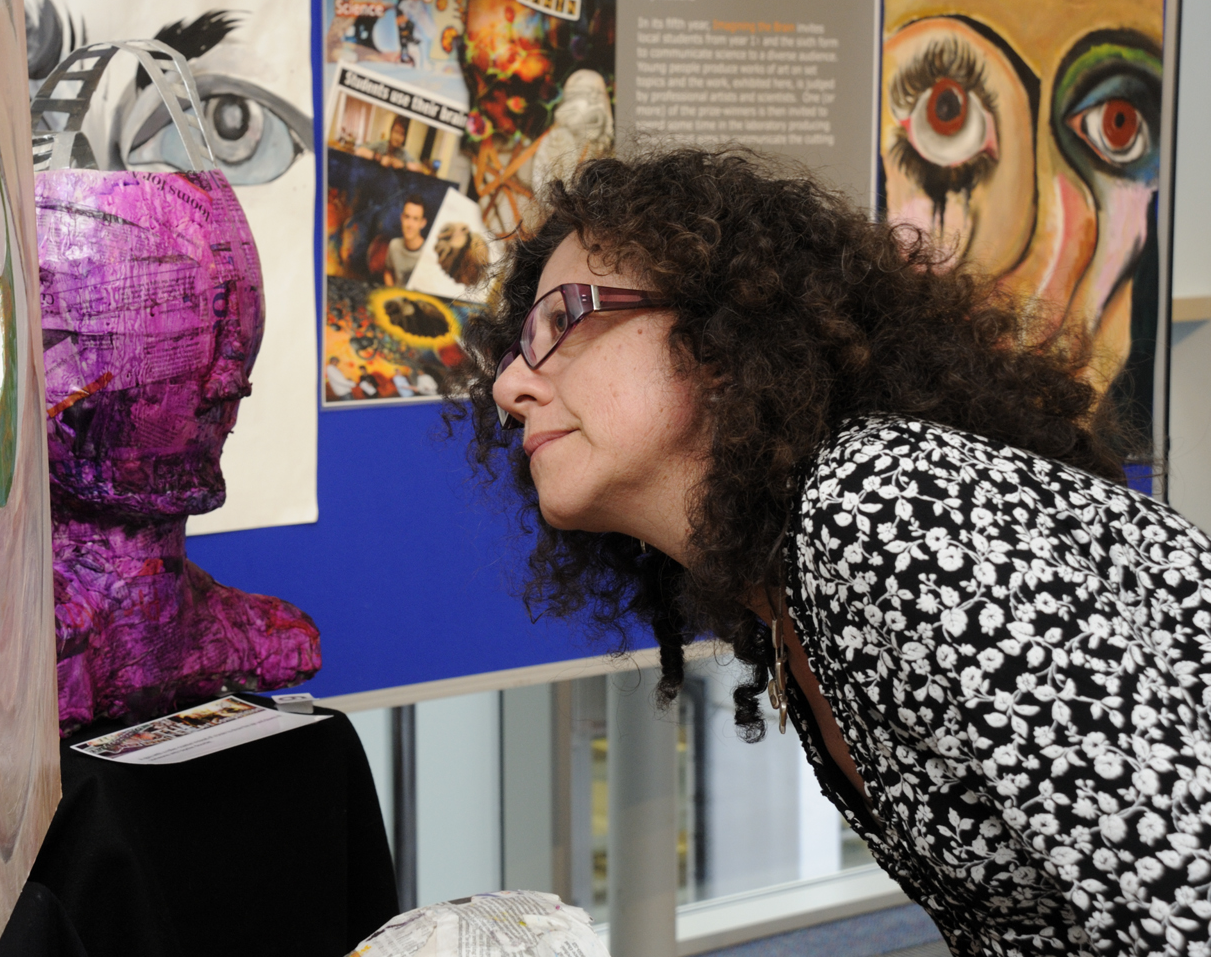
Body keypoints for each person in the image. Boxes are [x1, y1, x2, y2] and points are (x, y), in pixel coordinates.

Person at [467, 147, 1211, 955]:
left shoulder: (885, 505)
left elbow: (1186, 897)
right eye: (515, 351)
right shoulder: (791, 593)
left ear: (717, 341)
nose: (510, 388)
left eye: (563, 321)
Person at [384, 195, 428, 287]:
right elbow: (388, 271)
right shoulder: (394, 245)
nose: (410, 224)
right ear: (401, 218)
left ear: (423, 223)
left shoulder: (430, 252)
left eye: (415, 219)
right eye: (407, 217)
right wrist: (391, 290)